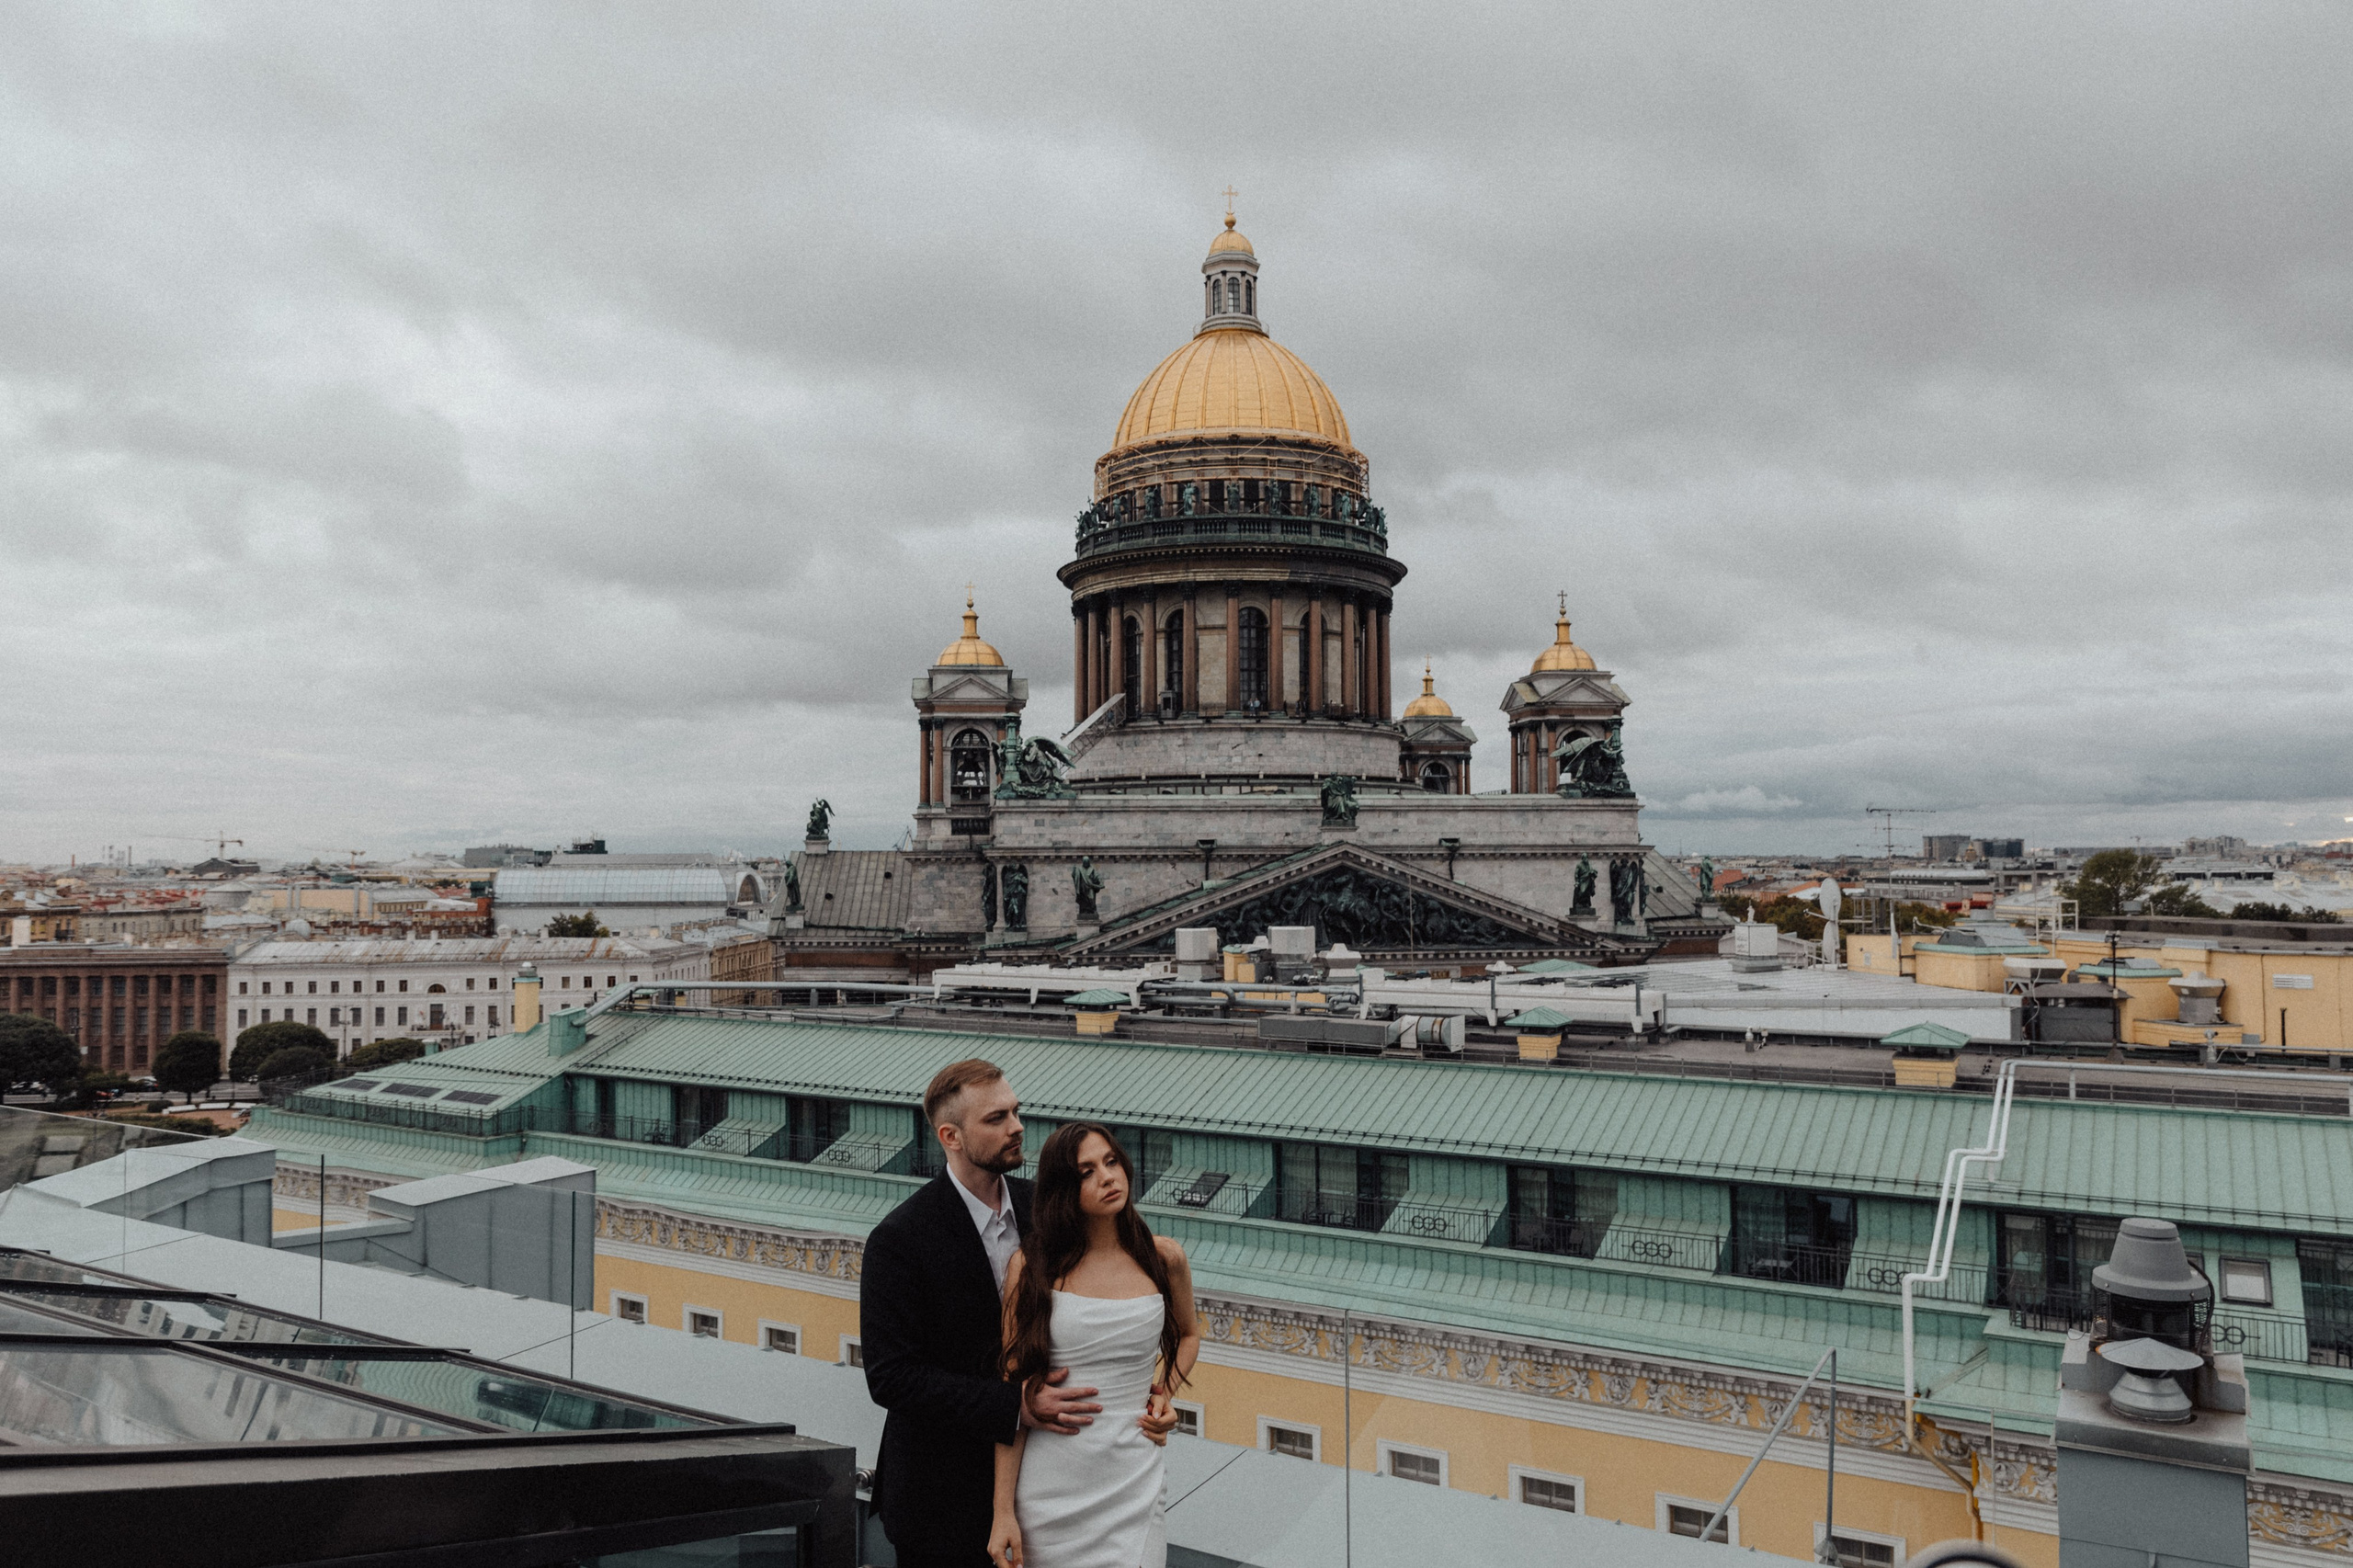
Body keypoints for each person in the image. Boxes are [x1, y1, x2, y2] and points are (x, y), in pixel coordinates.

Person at [862, 1062, 1176, 1568]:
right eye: (996, 1118)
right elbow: (890, 1377)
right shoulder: (899, 1239)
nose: (1017, 1127)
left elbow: (1107, 1313)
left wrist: (1153, 1392)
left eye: (1016, 1111)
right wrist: (1015, 1405)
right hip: (944, 1501)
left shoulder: (1052, 1210)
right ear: (951, 1136)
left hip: (1057, 1491)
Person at [989, 1123, 1201, 1568]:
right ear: (1064, 1190)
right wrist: (1002, 1512)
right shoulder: (1029, 1267)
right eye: (1086, 1172)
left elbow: (1189, 1334)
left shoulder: (1164, 1258)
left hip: (1134, 1479)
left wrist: (1165, 1393)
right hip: (1050, 1487)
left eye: (1111, 1161)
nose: (1108, 1177)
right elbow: (1011, 1390)